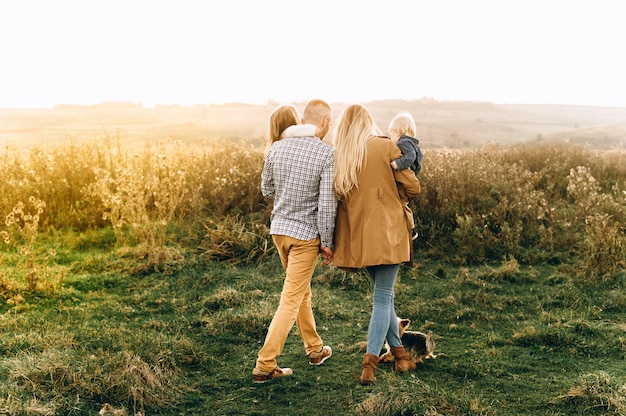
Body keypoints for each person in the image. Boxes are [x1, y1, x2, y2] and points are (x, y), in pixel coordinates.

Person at [332, 104, 421, 386]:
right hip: (388, 232)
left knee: (385, 298)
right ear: (369, 123)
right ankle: (369, 365)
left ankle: (400, 356)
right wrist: (397, 198)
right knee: (383, 298)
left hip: (359, 238)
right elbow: (414, 186)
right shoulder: (384, 148)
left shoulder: (344, 156)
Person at [252, 99, 336, 383]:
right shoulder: (326, 154)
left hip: (279, 231)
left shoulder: (276, 148)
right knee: (290, 299)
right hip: (304, 236)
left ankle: (315, 350)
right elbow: (326, 205)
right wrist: (328, 240)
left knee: (300, 292)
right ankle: (265, 364)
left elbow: (266, 189)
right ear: (322, 122)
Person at [388, 111, 424, 240]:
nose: (390, 138)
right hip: (412, 175)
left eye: (390, 135)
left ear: (397, 131)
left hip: (407, 176)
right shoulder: (412, 143)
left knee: (402, 204)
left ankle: (411, 230)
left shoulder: (404, 142)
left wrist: (398, 164)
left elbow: (411, 156)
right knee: (403, 204)